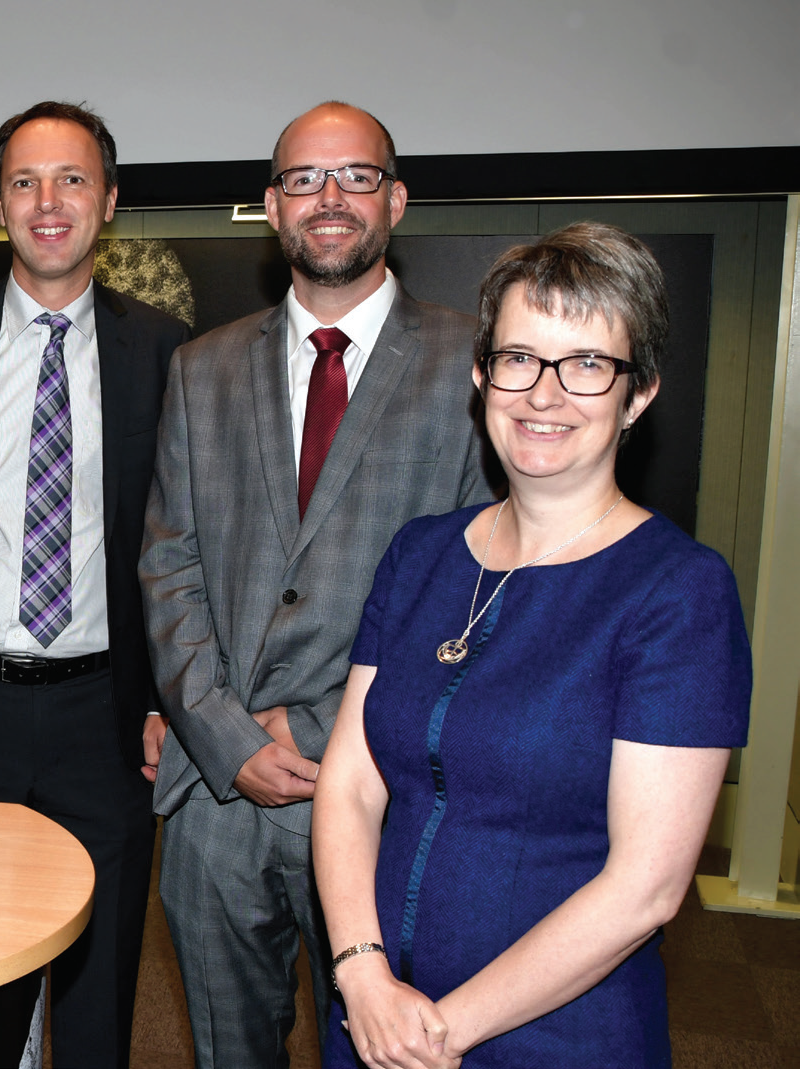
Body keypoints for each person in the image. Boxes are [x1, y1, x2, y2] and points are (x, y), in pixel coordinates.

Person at [313, 222, 751, 1069]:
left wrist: (440, 1031)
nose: (544, 394)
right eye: (519, 358)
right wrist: (361, 974)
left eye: (588, 364)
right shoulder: (421, 553)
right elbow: (351, 782)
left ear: (641, 391)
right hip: (370, 1018)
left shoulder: (678, 591)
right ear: (482, 375)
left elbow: (646, 889)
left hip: (551, 1034)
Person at [140, 101, 490, 1068]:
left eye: (356, 176)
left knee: (388, 1048)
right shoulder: (199, 368)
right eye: (303, 179)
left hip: (384, 792)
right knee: (225, 1050)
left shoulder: (479, 368)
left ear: (397, 199)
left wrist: (327, 719)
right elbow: (169, 561)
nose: (329, 198)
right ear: (271, 205)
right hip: (218, 798)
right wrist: (222, 730)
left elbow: (482, 589)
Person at [0, 101, 187, 1069]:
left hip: (101, 713)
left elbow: (176, 540)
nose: (47, 201)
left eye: (70, 178)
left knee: (99, 975)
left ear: (107, 201)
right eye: (23, 181)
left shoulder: (167, 355)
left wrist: (166, 697)